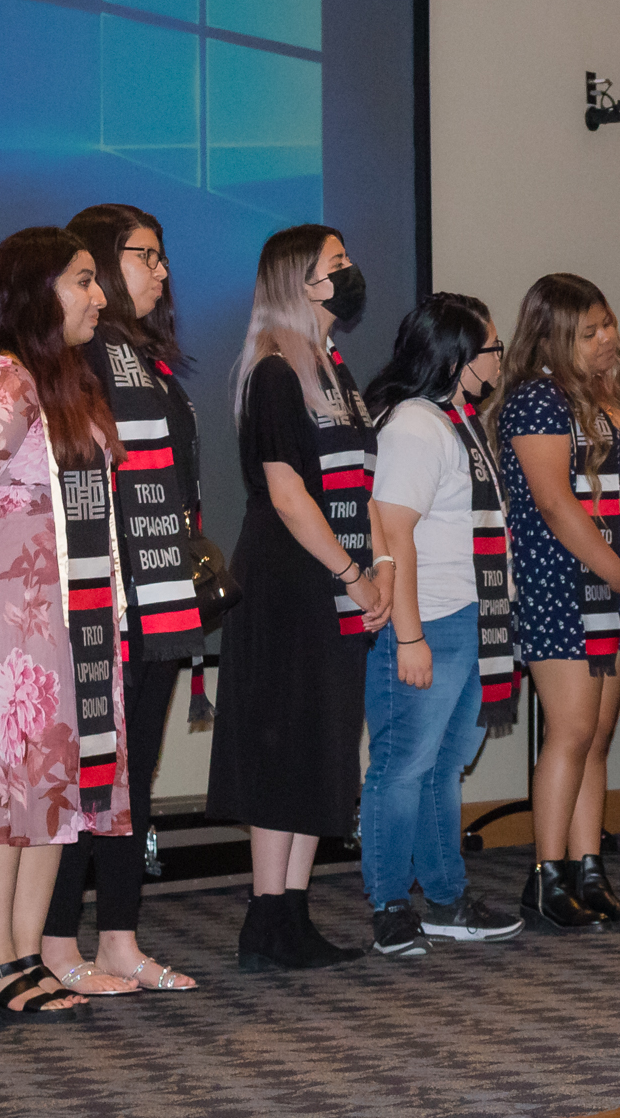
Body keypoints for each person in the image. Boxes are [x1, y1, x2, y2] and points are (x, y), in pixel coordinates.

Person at [0, 226, 133, 1022]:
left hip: (70, 613)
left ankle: (29, 953)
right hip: (3, 621)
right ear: (36, 289)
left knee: (56, 787)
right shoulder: (4, 379)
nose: (99, 296)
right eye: (84, 280)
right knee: (0, 784)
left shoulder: (67, 381)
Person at [205, 225, 389, 970]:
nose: (349, 275)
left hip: (339, 577)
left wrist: (379, 568)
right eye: (335, 265)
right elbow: (287, 494)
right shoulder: (276, 371)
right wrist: (352, 573)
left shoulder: (335, 370)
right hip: (289, 582)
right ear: (297, 282)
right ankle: (265, 916)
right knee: (285, 749)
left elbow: (363, 481)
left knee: (324, 746)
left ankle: (294, 913)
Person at [34, 204, 202, 996]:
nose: (161, 271)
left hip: (162, 594)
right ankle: (56, 939)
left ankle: (121, 939)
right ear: (101, 260)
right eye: (146, 255)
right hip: (106, 602)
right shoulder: (81, 356)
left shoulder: (146, 357)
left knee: (133, 781)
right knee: (91, 775)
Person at [495, 273, 620, 930]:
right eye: (590, 331)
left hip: (613, 586)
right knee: (568, 730)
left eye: (608, 323)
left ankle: (590, 870)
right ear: (556, 336)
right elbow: (554, 503)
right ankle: (547, 875)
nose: (607, 339)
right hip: (558, 583)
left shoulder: (616, 398)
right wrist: (617, 570)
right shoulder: (538, 400)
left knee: (597, 736)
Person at [361, 293, 525, 956]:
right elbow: (392, 531)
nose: (498, 358)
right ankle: (390, 902)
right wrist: (409, 635)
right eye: (490, 347)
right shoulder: (415, 426)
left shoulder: (459, 421)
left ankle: (447, 897)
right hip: (429, 619)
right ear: (457, 356)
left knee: (442, 767)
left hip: (469, 617)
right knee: (403, 768)